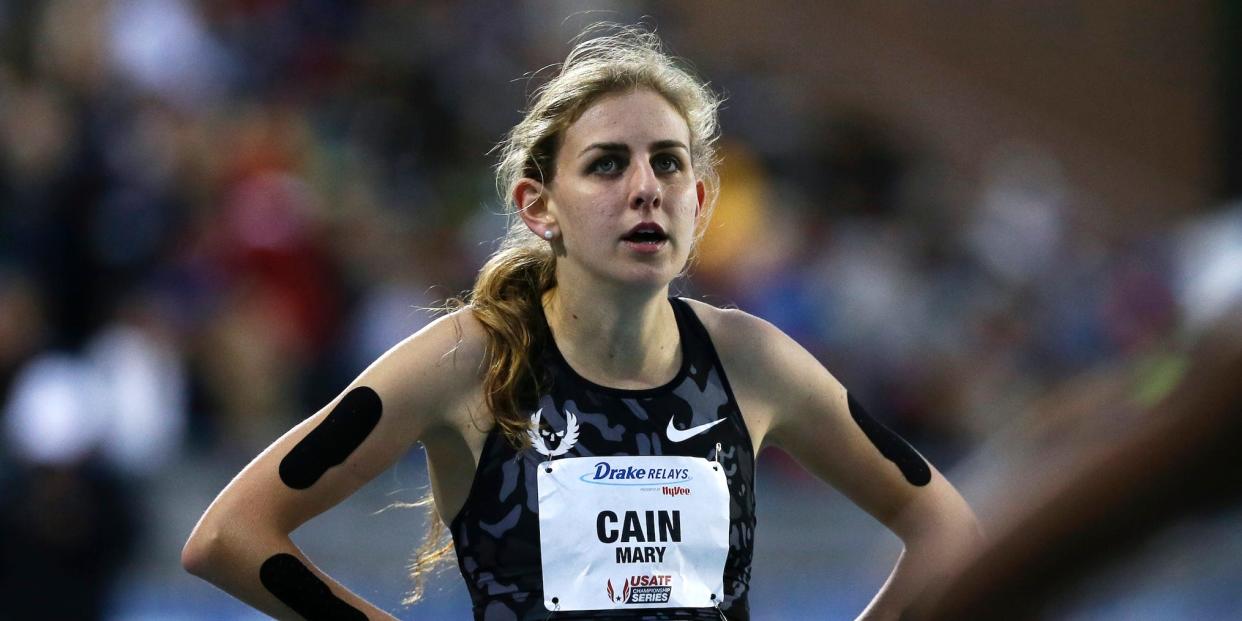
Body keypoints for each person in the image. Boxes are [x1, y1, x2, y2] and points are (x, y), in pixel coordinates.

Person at [182, 25, 981, 621]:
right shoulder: (469, 360)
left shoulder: (751, 360)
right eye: (607, 164)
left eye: (669, 162)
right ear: (539, 206)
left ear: (700, 204)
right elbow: (231, 535)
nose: (646, 188)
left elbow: (947, 529)